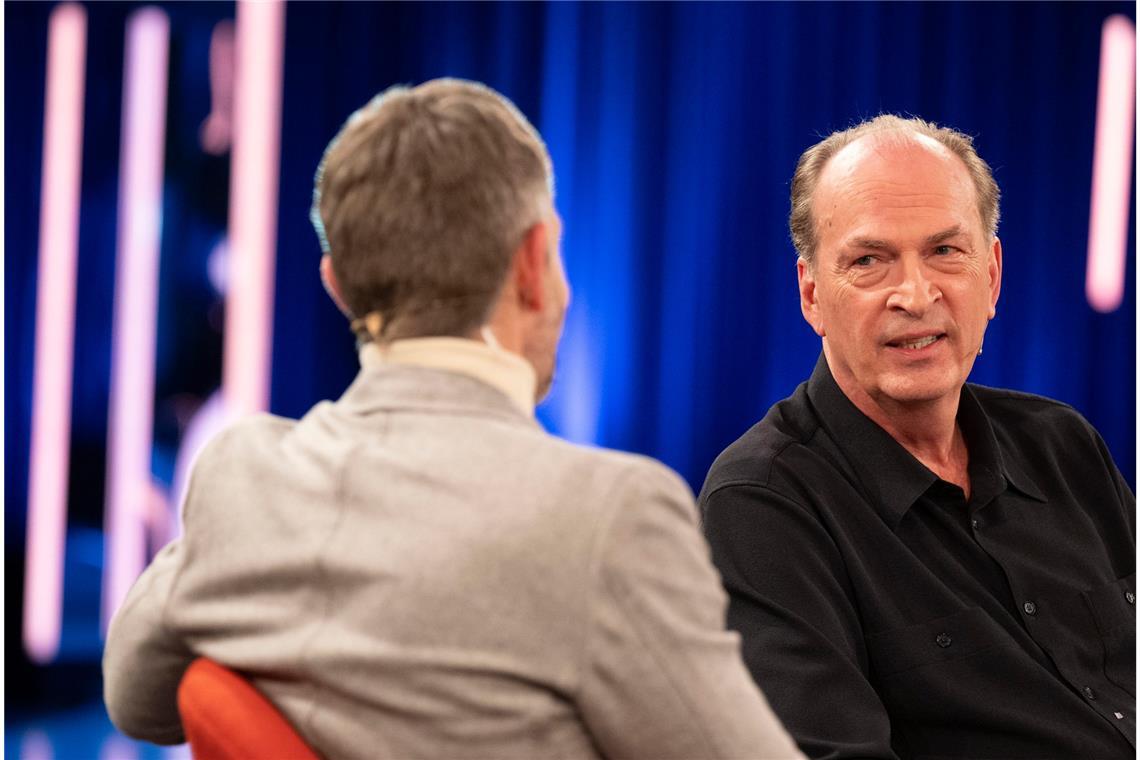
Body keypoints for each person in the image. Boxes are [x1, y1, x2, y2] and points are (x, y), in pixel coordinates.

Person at [103, 79, 803, 760]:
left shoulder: (242, 473)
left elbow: (135, 698)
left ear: (337, 288)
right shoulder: (608, 514)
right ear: (534, 262)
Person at [700, 115, 1135, 760]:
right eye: (870, 261)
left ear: (991, 275)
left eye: (945, 251)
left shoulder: (1063, 444)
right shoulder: (763, 503)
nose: (915, 293)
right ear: (812, 293)